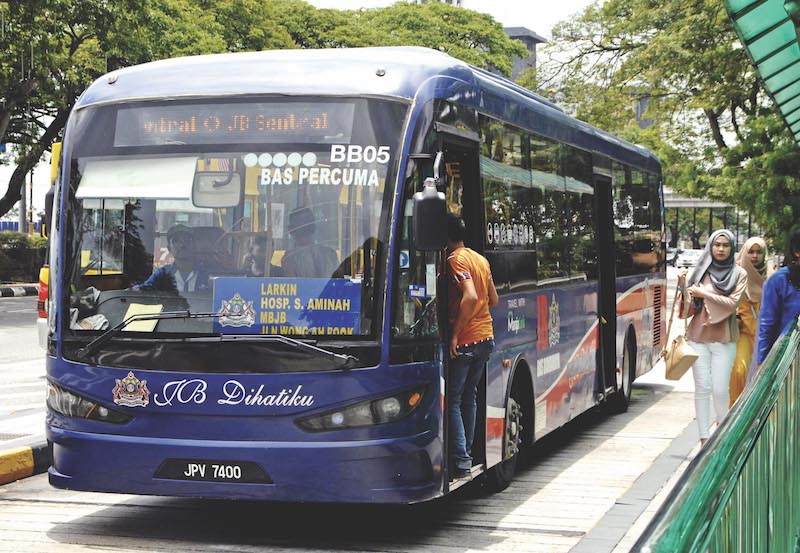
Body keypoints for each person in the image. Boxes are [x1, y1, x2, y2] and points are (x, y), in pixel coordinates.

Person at [677, 229, 747, 445]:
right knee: (702, 387)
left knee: (719, 389)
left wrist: (704, 294)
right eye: (717, 244)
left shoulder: (739, 274)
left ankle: (721, 431)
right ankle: (704, 438)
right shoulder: (701, 270)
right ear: (710, 246)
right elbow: (688, 310)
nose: (720, 249)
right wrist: (683, 288)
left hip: (724, 339)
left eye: (725, 245)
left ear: (732, 247)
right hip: (699, 337)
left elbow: (732, 304)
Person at [446, 214, 499, 480]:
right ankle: (466, 454)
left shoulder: (455, 260)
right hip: (486, 338)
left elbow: (471, 296)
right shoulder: (481, 259)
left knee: (452, 401)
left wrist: (455, 333)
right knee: (470, 397)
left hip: (466, 340)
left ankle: (462, 461)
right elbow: (493, 299)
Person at [730, 237, 769, 404]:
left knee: (764, 377)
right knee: (739, 371)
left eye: (759, 252)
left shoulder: (772, 277)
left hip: (766, 335)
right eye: (750, 252)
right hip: (743, 333)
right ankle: (734, 415)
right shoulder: (735, 275)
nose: (754, 256)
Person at [755, 228, 800, 369]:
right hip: (787, 361)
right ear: (797, 252)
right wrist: (762, 362)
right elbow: (767, 323)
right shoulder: (779, 281)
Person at [135, 225, 209, 293]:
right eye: (176, 241)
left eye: (187, 240)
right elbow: (142, 289)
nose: (182, 245)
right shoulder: (163, 273)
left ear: (194, 246)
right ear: (169, 249)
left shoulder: (207, 273)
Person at [281, 207, 339, 278]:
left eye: (306, 226)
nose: (303, 231)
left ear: (290, 230)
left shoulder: (329, 255)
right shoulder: (289, 259)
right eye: (300, 227)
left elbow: (336, 284)